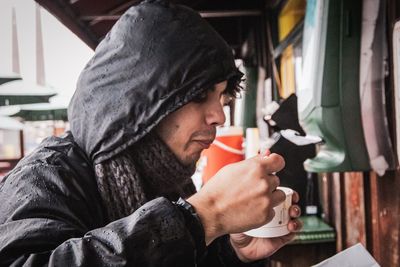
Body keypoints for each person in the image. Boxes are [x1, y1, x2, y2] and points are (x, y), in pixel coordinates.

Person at [0, 0, 302, 266]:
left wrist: (232, 254)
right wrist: (207, 216)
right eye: (199, 95)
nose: (219, 116)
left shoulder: (172, 183)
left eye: (222, 98)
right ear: (139, 101)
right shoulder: (47, 178)